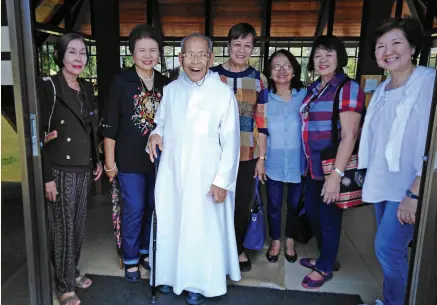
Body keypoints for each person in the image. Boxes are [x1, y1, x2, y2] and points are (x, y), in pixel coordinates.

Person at [147, 33, 241, 305]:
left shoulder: (222, 93)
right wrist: (155, 135)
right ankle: (169, 276)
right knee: (172, 223)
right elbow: (161, 124)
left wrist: (222, 180)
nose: (196, 60)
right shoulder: (171, 90)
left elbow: (232, 141)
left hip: (206, 176)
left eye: (202, 55)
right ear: (181, 58)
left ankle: (199, 283)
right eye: (190, 54)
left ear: (211, 58)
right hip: (173, 172)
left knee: (201, 229)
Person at [358, 17, 436, 305]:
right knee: (392, 250)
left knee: (387, 248)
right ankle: (391, 299)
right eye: (381, 46)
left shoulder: (428, 83)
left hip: (410, 185)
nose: (387, 51)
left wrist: (416, 191)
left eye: (395, 43)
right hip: (382, 182)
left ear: (413, 47)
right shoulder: (382, 89)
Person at [99, 24, 170, 282]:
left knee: (154, 206)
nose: (148, 55)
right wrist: (109, 163)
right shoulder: (121, 82)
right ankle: (130, 259)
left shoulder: (166, 83)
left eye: (153, 50)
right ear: (132, 53)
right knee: (135, 208)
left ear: (160, 53)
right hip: (128, 160)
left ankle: (145, 252)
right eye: (142, 50)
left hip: (159, 160)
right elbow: (110, 126)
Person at [37, 33, 103, 305]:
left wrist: (96, 159)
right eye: (72, 52)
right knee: (63, 228)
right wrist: (47, 176)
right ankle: (64, 286)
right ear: (60, 56)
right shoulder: (48, 86)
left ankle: (70, 271)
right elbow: (38, 135)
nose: (79, 58)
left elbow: (89, 127)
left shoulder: (86, 87)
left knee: (77, 226)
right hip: (60, 168)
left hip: (83, 166)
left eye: (83, 53)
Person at [299, 35, 365, 288]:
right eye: (317, 55)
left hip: (332, 168)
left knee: (328, 218)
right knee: (314, 214)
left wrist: (336, 175)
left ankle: (325, 267)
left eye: (329, 53)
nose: (323, 59)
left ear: (339, 57)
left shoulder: (347, 87)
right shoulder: (315, 88)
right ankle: (327, 256)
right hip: (313, 166)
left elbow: (350, 135)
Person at [210, 23, 268, 272]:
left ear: (253, 49)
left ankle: (237, 247)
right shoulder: (211, 75)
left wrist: (261, 157)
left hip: (246, 153)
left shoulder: (259, 79)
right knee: (213, 200)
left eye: (248, 45)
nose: (242, 50)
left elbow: (262, 122)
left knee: (241, 202)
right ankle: (213, 246)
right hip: (213, 153)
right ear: (229, 46)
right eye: (237, 44)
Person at [263, 50, 307, 263]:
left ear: (294, 70)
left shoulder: (305, 96)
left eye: (287, 66)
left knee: (294, 204)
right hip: (273, 161)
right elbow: (259, 131)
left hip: (299, 162)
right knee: (274, 204)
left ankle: (289, 239)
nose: (282, 70)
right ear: (269, 72)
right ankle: (276, 240)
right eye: (276, 66)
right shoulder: (265, 98)